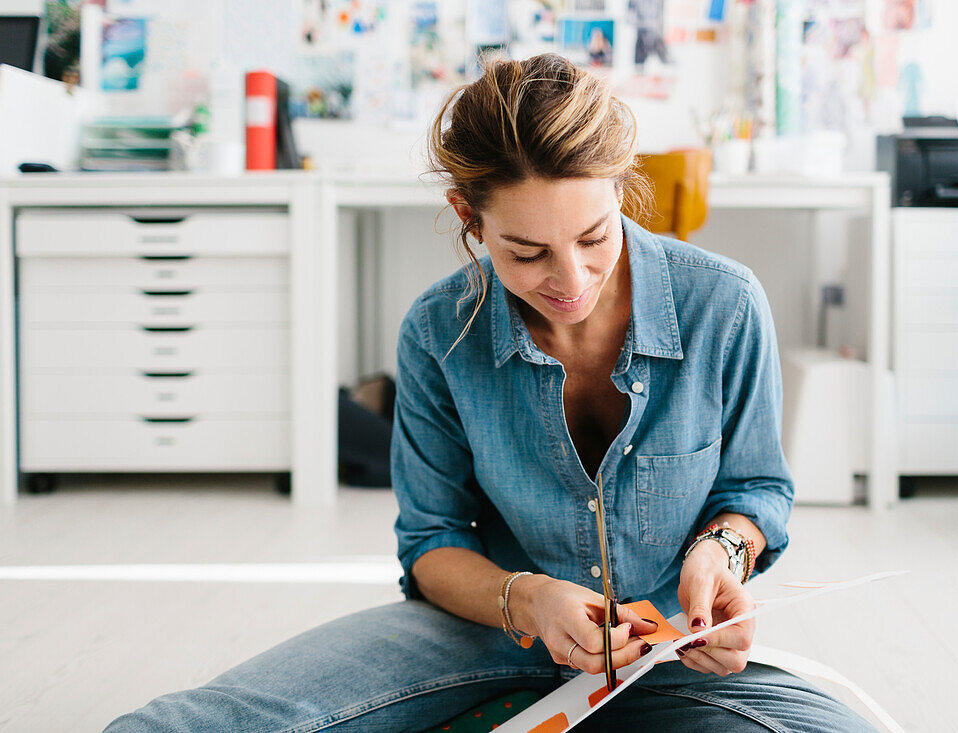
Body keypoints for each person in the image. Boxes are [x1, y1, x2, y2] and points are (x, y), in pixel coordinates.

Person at [105, 54, 876, 732]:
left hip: (669, 647)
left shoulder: (726, 306)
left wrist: (724, 550)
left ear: (621, 190)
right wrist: (532, 600)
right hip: (490, 626)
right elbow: (432, 544)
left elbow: (755, 489)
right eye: (527, 251)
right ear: (468, 220)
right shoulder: (438, 333)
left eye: (595, 237)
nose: (570, 282)